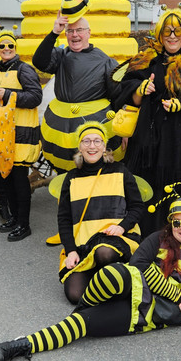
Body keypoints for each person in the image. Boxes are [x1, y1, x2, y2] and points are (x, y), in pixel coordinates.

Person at [0, 188, 181, 361]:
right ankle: (70, 319)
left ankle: (14, 347)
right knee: (112, 273)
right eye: (177, 222)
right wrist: (178, 293)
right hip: (135, 285)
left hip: (151, 313)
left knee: (82, 323)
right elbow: (138, 266)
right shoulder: (160, 238)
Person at [117, 6, 181, 232]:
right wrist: (140, 89)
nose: (172, 36)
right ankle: (152, 238)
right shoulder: (146, 60)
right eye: (167, 31)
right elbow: (123, 90)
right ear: (160, 33)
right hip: (151, 142)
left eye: (178, 31)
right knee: (151, 189)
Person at [32, 0, 120, 171]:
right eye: (70, 31)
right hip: (61, 131)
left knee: (95, 174)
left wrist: (123, 127)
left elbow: (118, 96)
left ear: (89, 32)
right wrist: (54, 32)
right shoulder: (61, 55)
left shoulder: (105, 61)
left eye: (79, 30)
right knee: (66, 175)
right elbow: (39, 61)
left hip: (94, 133)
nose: (75, 35)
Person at [56, 122, 145, 303]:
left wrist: (122, 227)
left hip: (115, 239)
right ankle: (102, 279)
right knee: (75, 295)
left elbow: (137, 207)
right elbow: (64, 219)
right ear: (79, 147)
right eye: (86, 141)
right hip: (85, 245)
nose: (92, 146)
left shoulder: (120, 170)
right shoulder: (71, 177)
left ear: (104, 147)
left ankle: (118, 275)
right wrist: (71, 250)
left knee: (104, 253)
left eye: (97, 141)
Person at [0, 30, 42, 242]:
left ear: (15, 48)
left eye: (10, 46)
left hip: (21, 133)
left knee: (20, 181)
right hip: (3, 133)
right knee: (7, 179)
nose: (6, 49)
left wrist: (9, 95)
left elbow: (35, 96)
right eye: (2, 46)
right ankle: (14, 218)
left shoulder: (23, 69)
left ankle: (24, 224)